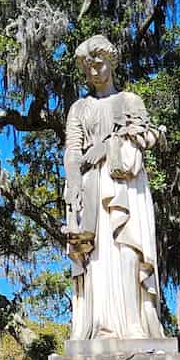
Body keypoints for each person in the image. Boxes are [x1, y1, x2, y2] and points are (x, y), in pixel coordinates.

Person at [63, 35, 165, 340]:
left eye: (99, 63)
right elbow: (72, 149)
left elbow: (144, 138)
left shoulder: (129, 101)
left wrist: (107, 147)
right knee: (96, 258)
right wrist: (73, 184)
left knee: (127, 250)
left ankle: (133, 324)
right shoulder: (79, 108)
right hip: (92, 188)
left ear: (111, 62)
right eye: (88, 67)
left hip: (124, 186)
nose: (94, 71)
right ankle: (102, 325)